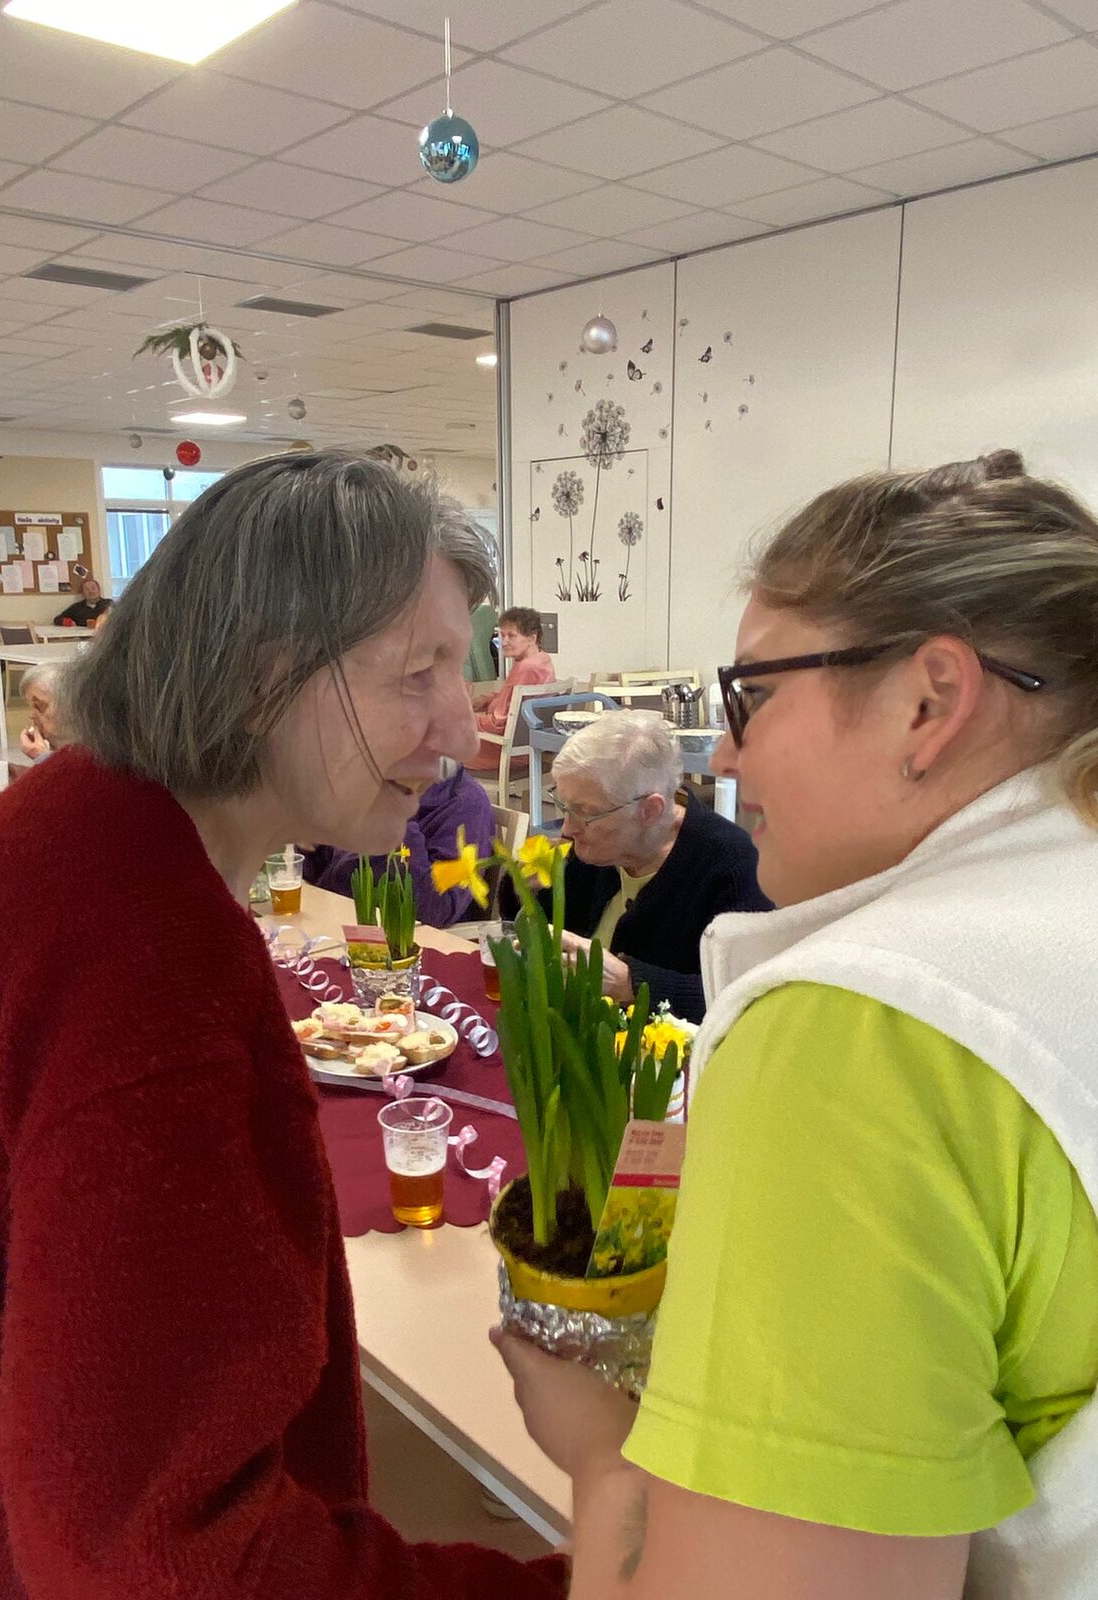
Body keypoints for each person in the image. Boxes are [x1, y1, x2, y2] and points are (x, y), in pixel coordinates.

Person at [0, 453, 566, 1600]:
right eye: (419, 673)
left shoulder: (86, 824)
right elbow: (160, 1565)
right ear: (265, 676)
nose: (464, 730)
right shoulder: (144, 957)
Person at [495, 449, 1098, 1600]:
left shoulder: (861, 1033)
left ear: (930, 700)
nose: (724, 753)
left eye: (753, 696)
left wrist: (600, 1459)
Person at [504, 711, 769, 1020]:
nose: (567, 828)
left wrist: (630, 983)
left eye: (584, 812)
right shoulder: (594, 850)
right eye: (565, 806)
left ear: (650, 810)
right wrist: (521, 889)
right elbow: (538, 929)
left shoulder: (735, 868)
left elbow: (748, 999)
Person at [304, 763, 494, 927]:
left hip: (402, 944)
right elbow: (326, 872)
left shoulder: (466, 805)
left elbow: (437, 909)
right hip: (333, 919)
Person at [468, 605, 556, 773]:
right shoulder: (543, 661)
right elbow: (514, 699)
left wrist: (464, 719)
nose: (504, 642)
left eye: (511, 636)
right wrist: (487, 700)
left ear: (532, 638)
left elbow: (497, 724)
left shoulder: (525, 668)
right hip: (527, 748)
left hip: (503, 751)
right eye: (502, 635)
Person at [17, 662, 70, 762]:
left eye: (39, 706)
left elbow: (69, 771)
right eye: (31, 706)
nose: (32, 715)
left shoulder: (93, 749)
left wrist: (41, 756)